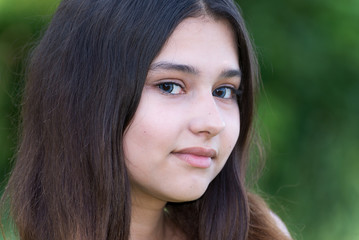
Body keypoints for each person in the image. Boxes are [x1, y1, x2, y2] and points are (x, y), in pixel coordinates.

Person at [1, 0, 292, 239]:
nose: (213, 122)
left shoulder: (261, 233)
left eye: (224, 91)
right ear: (87, 96)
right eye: (170, 86)